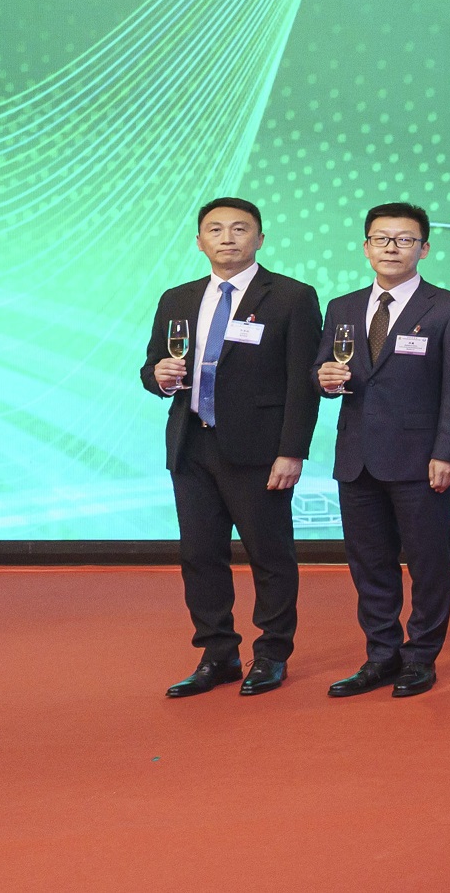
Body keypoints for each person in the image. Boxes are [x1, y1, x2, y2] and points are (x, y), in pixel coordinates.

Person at [143, 197, 322, 698]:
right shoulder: (176, 298)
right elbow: (152, 367)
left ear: (259, 239)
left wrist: (292, 450)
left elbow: (302, 382)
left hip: (260, 450)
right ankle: (217, 653)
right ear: (199, 241)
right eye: (216, 229)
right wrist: (159, 376)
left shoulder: (291, 296)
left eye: (240, 229)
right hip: (191, 444)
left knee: (269, 555)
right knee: (200, 555)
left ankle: (272, 654)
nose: (227, 238)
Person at [312, 203, 450, 699]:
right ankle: (381, 655)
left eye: (404, 239)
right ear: (366, 247)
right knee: (368, 563)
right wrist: (323, 379)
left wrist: (448, 453)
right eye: (381, 239)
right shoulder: (342, 306)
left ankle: (421, 657)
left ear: (423, 249)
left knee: (428, 563)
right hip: (356, 456)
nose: (391, 248)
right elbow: (322, 369)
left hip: (420, 459)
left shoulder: (449, 308)